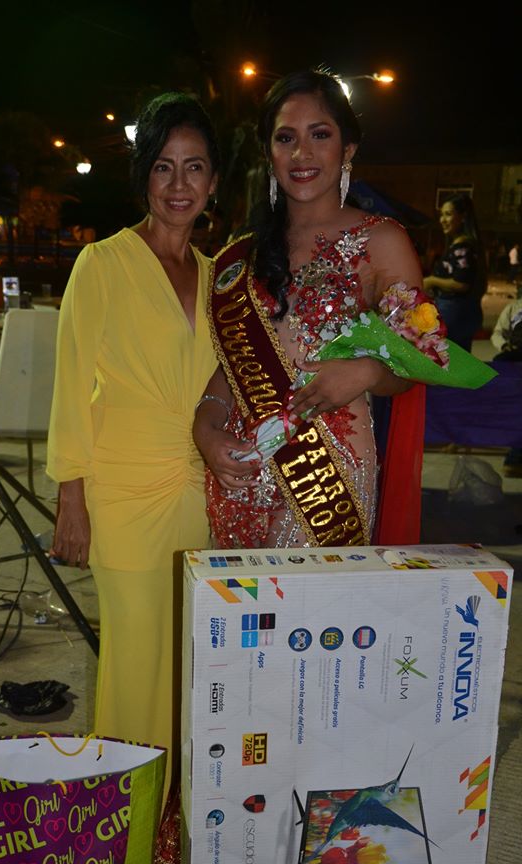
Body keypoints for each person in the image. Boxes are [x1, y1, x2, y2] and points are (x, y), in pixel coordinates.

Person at [46, 93, 219, 845]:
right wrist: (71, 498)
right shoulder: (103, 263)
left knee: (189, 663)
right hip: (122, 489)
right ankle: (116, 829)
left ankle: (170, 824)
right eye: (163, 167)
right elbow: (70, 383)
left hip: (200, 491)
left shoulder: (219, 276)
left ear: (214, 181)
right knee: (134, 661)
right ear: (143, 175)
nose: (178, 185)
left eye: (194, 168)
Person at [193, 68, 438, 549]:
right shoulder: (242, 252)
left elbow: (420, 355)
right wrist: (205, 427)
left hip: (327, 477)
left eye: (319, 135)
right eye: (286, 138)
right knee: (239, 599)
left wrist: (366, 371)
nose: (301, 153)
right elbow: (233, 365)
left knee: (315, 597)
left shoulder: (381, 241)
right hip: (240, 466)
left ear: (348, 149)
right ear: (269, 152)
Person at [423, 193, 487, 352]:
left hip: (455, 312)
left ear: (463, 217)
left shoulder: (463, 247)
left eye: (448, 214)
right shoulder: (464, 245)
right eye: (441, 215)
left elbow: (461, 283)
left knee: (446, 358)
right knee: (457, 357)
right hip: (461, 312)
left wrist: (431, 281)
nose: (442, 220)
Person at [490, 298, 522, 477]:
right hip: (513, 361)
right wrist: (504, 346)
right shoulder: (514, 308)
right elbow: (498, 333)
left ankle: (515, 456)